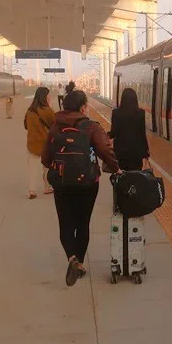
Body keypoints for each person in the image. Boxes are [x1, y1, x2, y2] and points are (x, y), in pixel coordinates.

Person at [42, 90, 119, 286]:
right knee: (82, 222)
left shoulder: (55, 127)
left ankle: (72, 259)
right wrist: (116, 168)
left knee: (65, 222)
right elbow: (105, 151)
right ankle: (81, 264)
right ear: (83, 107)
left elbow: (45, 158)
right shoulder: (92, 127)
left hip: (61, 182)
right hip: (87, 183)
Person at [24, 87, 55, 199]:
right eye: (48, 96)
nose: (50, 98)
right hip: (46, 144)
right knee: (47, 167)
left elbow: (25, 126)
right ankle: (47, 187)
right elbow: (55, 126)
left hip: (32, 144)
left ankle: (31, 190)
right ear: (44, 97)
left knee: (32, 169)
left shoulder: (30, 110)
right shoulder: (48, 111)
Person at [109, 88, 150, 171]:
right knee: (135, 178)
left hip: (120, 153)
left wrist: (108, 135)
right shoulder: (141, 113)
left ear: (122, 99)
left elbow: (114, 132)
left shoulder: (116, 113)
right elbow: (142, 134)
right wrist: (146, 153)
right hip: (136, 154)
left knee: (121, 178)